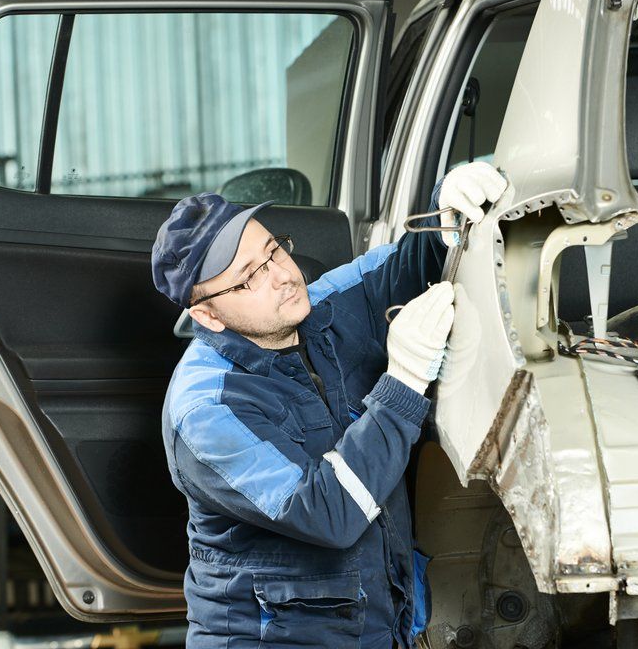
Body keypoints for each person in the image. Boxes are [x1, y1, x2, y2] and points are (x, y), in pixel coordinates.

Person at [151, 162, 507, 648]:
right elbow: (329, 511)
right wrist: (403, 381)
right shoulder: (206, 410)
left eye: (273, 249)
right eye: (249, 277)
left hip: (373, 625)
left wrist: (447, 211)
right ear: (208, 315)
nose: (282, 276)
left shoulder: (317, 305)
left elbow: (406, 266)